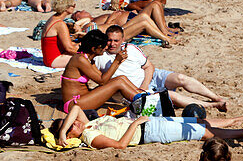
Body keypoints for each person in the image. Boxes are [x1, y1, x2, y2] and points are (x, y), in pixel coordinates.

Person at [94, 25, 228, 111]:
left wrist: (145, 84)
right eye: (109, 40)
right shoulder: (100, 56)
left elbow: (149, 66)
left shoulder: (131, 48)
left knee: (180, 78)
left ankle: (215, 97)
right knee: (172, 95)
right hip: (134, 92)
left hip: (150, 78)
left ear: (122, 39)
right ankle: (212, 105)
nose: (112, 44)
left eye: (116, 40)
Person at [54, 106, 243, 150]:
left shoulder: (88, 124)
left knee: (198, 123)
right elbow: (120, 145)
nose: (77, 122)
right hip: (149, 132)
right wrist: (136, 123)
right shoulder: (89, 136)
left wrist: (64, 130)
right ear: (72, 135)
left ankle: (234, 121)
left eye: (71, 122)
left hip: (149, 123)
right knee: (205, 133)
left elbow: (76, 107)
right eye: (72, 126)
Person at [59, 30, 143, 114]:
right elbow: (102, 81)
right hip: (74, 105)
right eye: (103, 46)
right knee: (119, 82)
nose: (106, 48)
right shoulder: (80, 59)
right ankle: (142, 101)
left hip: (83, 99)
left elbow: (103, 78)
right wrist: (116, 61)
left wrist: (118, 62)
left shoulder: (88, 60)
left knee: (121, 78)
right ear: (94, 49)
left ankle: (142, 95)